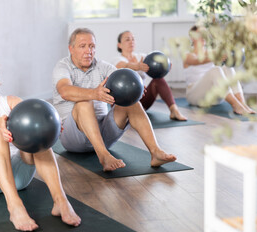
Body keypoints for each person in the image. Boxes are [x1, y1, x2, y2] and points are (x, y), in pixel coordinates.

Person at [0, 48, 81, 232]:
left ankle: (60, 201)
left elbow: (37, 116)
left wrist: (50, 124)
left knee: (39, 135)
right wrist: (1, 122)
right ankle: (15, 207)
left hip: (19, 176)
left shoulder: (11, 101)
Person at [52, 28, 177, 172]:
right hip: (74, 138)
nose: (88, 51)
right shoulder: (63, 67)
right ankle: (104, 157)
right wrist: (94, 93)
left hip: (104, 134)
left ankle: (156, 152)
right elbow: (64, 91)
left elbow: (122, 77)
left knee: (131, 102)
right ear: (71, 49)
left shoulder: (102, 66)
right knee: (84, 104)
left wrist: (135, 85)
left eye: (92, 46)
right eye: (82, 46)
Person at [114, 31, 187, 121]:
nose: (131, 41)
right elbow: (123, 66)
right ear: (119, 45)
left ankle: (174, 110)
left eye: (133, 39)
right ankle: (128, 113)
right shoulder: (117, 59)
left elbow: (156, 61)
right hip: (125, 102)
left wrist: (165, 65)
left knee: (158, 80)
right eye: (127, 39)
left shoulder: (141, 57)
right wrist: (137, 66)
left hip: (142, 100)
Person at [183, 25, 255, 115]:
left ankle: (242, 104)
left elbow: (223, 51)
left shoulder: (212, 52)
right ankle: (236, 105)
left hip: (214, 98)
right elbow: (197, 60)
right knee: (216, 70)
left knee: (228, 68)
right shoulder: (187, 54)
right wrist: (216, 56)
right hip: (195, 97)